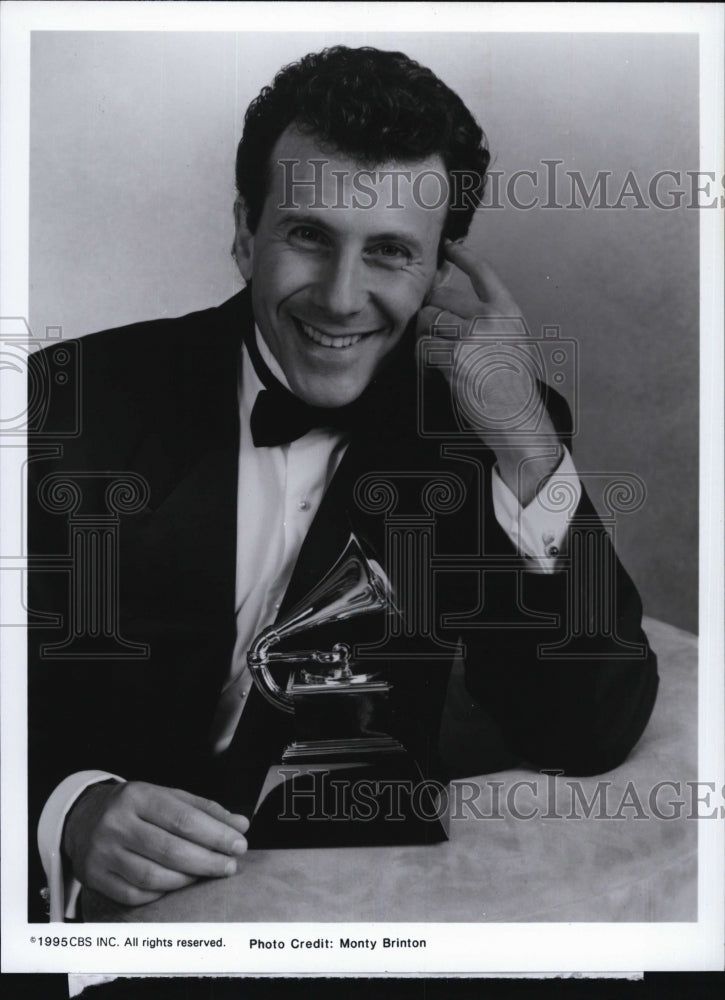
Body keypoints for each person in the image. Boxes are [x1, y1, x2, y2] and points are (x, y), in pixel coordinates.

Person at [27, 46, 658, 921]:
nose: (339, 296)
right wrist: (66, 809)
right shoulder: (64, 402)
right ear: (246, 231)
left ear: (441, 269)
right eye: (308, 235)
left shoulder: (488, 422)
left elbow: (586, 728)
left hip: (346, 909)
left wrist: (522, 442)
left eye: (390, 253)